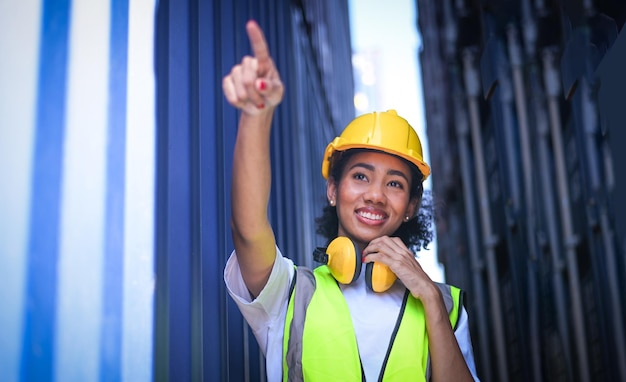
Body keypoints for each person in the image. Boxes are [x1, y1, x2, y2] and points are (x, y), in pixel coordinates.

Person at [223, 20, 480, 381]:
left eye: (394, 184)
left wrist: (432, 303)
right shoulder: (291, 293)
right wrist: (257, 114)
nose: (375, 194)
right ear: (333, 189)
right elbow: (247, 229)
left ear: (410, 207)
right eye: (360, 176)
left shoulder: (445, 305)